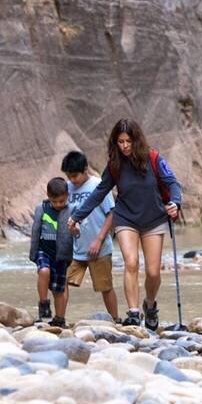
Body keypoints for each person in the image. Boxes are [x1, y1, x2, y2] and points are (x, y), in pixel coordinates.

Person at [69, 119, 183, 330]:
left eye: (128, 141)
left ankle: (149, 305)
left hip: (153, 219)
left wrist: (175, 202)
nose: (124, 146)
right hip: (126, 218)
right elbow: (99, 193)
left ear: (136, 140)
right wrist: (77, 216)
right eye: (120, 142)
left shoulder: (154, 158)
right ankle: (132, 312)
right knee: (131, 262)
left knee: (153, 272)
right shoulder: (115, 165)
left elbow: (172, 183)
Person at [60, 151, 121, 322]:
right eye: (69, 176)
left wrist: (99, 239)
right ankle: (60, 319)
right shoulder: (67, 188)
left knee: (105, 287)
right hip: (75, 247)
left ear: (85, 169)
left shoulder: (99, 185)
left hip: (99, 247)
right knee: (61, 281)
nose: (72, 180)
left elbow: (111, 213)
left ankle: (115, 320)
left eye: (75, 175)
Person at [28, 178, 71, 325]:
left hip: (61, 255)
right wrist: (33, 253)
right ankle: (44, 303)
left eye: (61, 201)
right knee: (44, 271)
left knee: (58, 290)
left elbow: (77, 234)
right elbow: (35, 230)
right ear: (48, 196)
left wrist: (76, 231)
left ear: (67, 196)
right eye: (55, 202)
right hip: (43, 250)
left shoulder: (71, 210)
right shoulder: (42, 208)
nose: (58, 205)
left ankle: (59, 319)